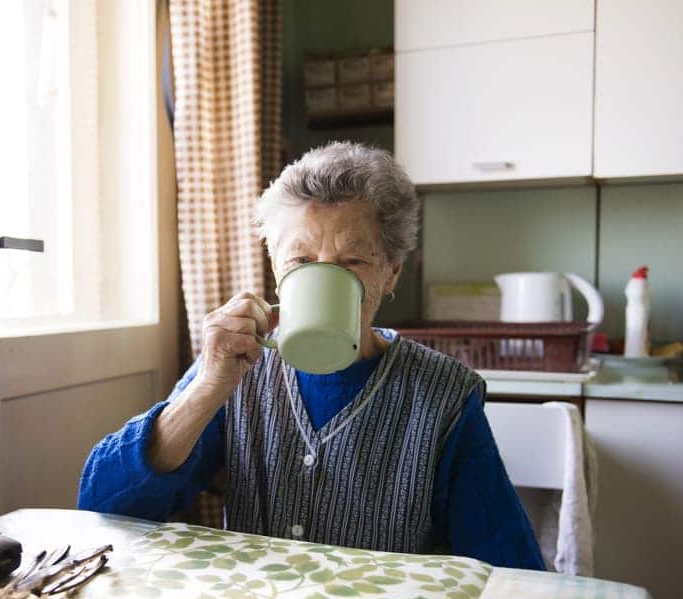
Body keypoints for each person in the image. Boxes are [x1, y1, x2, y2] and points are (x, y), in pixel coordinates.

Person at [78, 141, 544, 569]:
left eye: (352, 262)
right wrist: (206, 388)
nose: (325, 276)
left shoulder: (444, 394)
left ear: (391, 273)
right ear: (277, 269)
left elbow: (509, 563)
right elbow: (105, 506)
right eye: (301, 261)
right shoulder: (234, 368)